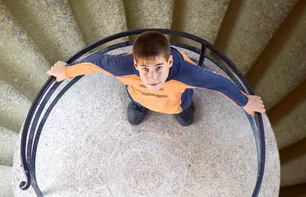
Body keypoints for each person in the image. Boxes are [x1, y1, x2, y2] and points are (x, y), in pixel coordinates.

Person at [47, 31, 265, 126]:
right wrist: (65, 72)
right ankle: (139, 106)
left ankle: (184, 109)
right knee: (134, 118)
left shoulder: (188, 74)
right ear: (135, 64)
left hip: (176, 103)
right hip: (139, 97)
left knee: (187, 121)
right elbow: (95, 62)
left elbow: (219, 82)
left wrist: (245, 101)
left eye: (159, 68)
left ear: (169, 63)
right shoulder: (121, 67)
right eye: (145, 69)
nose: (152, 77)